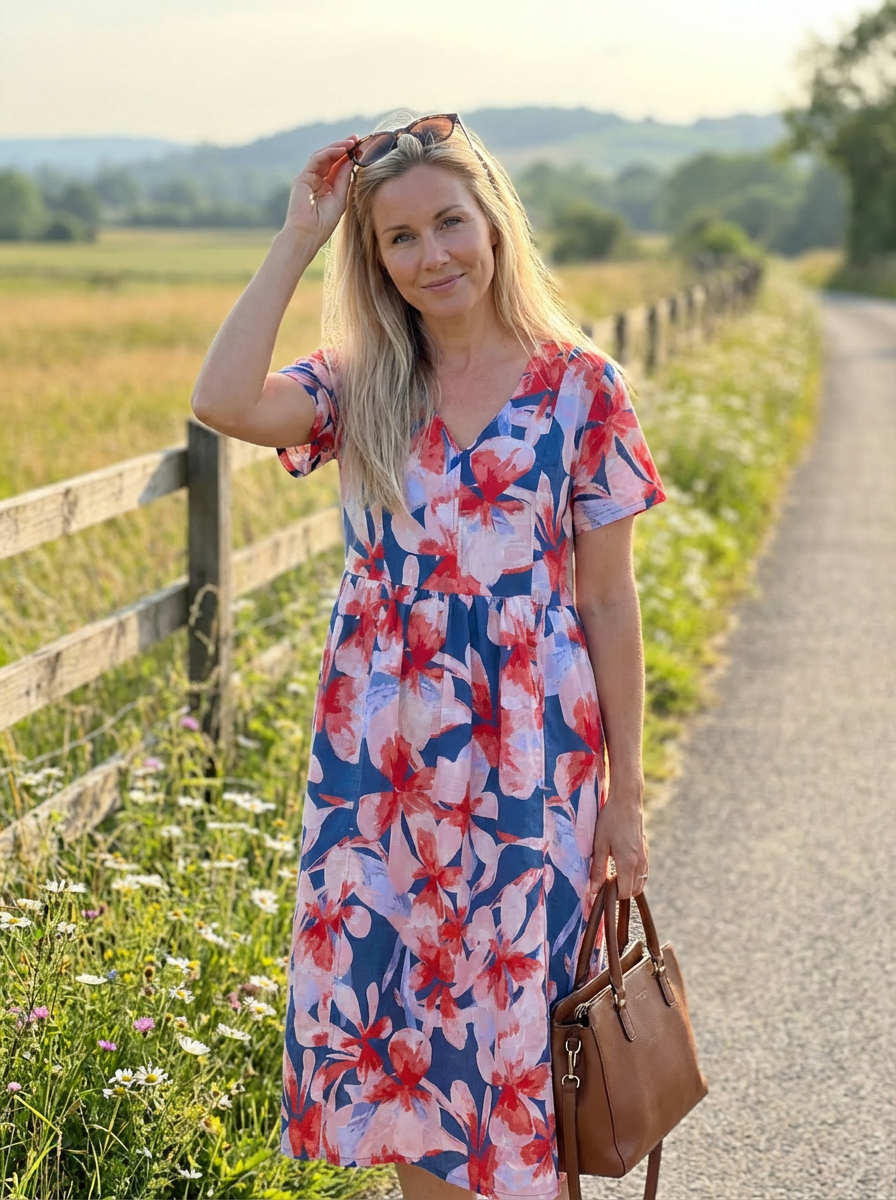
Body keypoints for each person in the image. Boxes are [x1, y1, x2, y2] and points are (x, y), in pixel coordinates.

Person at [191, 111, 666, 1200]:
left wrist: (627, 800)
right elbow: (220, 400)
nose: (431, 254)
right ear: (375, 260)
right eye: (398, 238)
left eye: (449, 221)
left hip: (528, 761)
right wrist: (298, 238)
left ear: (493, 223)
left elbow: (607, 598)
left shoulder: (581, 387)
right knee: (407, 1052)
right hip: (379, 767)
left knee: (522, 1051)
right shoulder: (358, 381)